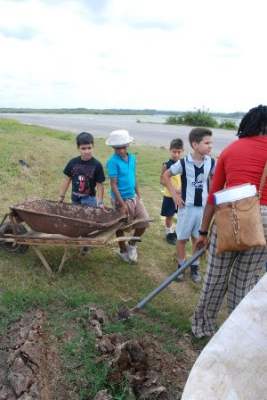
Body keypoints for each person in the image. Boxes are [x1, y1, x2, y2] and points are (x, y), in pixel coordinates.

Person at [191, 105, 267, 338]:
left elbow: (213, 196)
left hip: (230, 217)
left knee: (215, 276)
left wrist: (203, 232)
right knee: (245, 281)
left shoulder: (231, 150)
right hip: (263, 221)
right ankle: (236, 334)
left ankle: (202, 327)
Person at [163, 128, 215, 283]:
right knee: (182, 238)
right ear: (195, 144)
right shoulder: (184, 162)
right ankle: (180, 265)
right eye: (207, 143)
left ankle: (195, 266)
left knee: (198, 238)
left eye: (211, 143)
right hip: (187, 209)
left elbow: (212, 180)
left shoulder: (211, 162)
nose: (210, 146)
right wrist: (174, 195)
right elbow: (166, 175)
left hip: (203, 209)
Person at [106, 129, 149, 263]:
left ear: (128, 145)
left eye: (123, 147)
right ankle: (123, 250)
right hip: (120, 199)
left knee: (144, 221)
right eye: (117, 148)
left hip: (133, 197)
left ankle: (132, 244)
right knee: (120, 225)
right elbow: (113, 184)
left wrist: (138, 195)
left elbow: (133, 177)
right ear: (113, 147)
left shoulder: (132, 158)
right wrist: (122, 204)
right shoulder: (112, 162)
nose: (120, 150)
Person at [58, 132, 105, 207]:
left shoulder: (97, 165)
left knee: (89, 217)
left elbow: (100, 185)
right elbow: (67, 180)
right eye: (83, 148)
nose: (87, 151)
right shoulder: (72, 162)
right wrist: (61, 196)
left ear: (93, 146)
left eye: (89, 148)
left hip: (90, 199)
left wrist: (100, 202)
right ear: (78, 148)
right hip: (75, 198)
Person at [160, 138, 184, 245]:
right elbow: (162, 180)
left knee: (181, 215)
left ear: (182, 151)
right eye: (174, 151)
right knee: (169, 216)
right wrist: (174, 189)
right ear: (170, 150)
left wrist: (182, 190)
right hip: (169, 196)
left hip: (180, 197)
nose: (176, 154)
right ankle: (168, 233)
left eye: (179, 152)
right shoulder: (166, 165)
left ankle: (176, 232)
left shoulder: (183, 164)